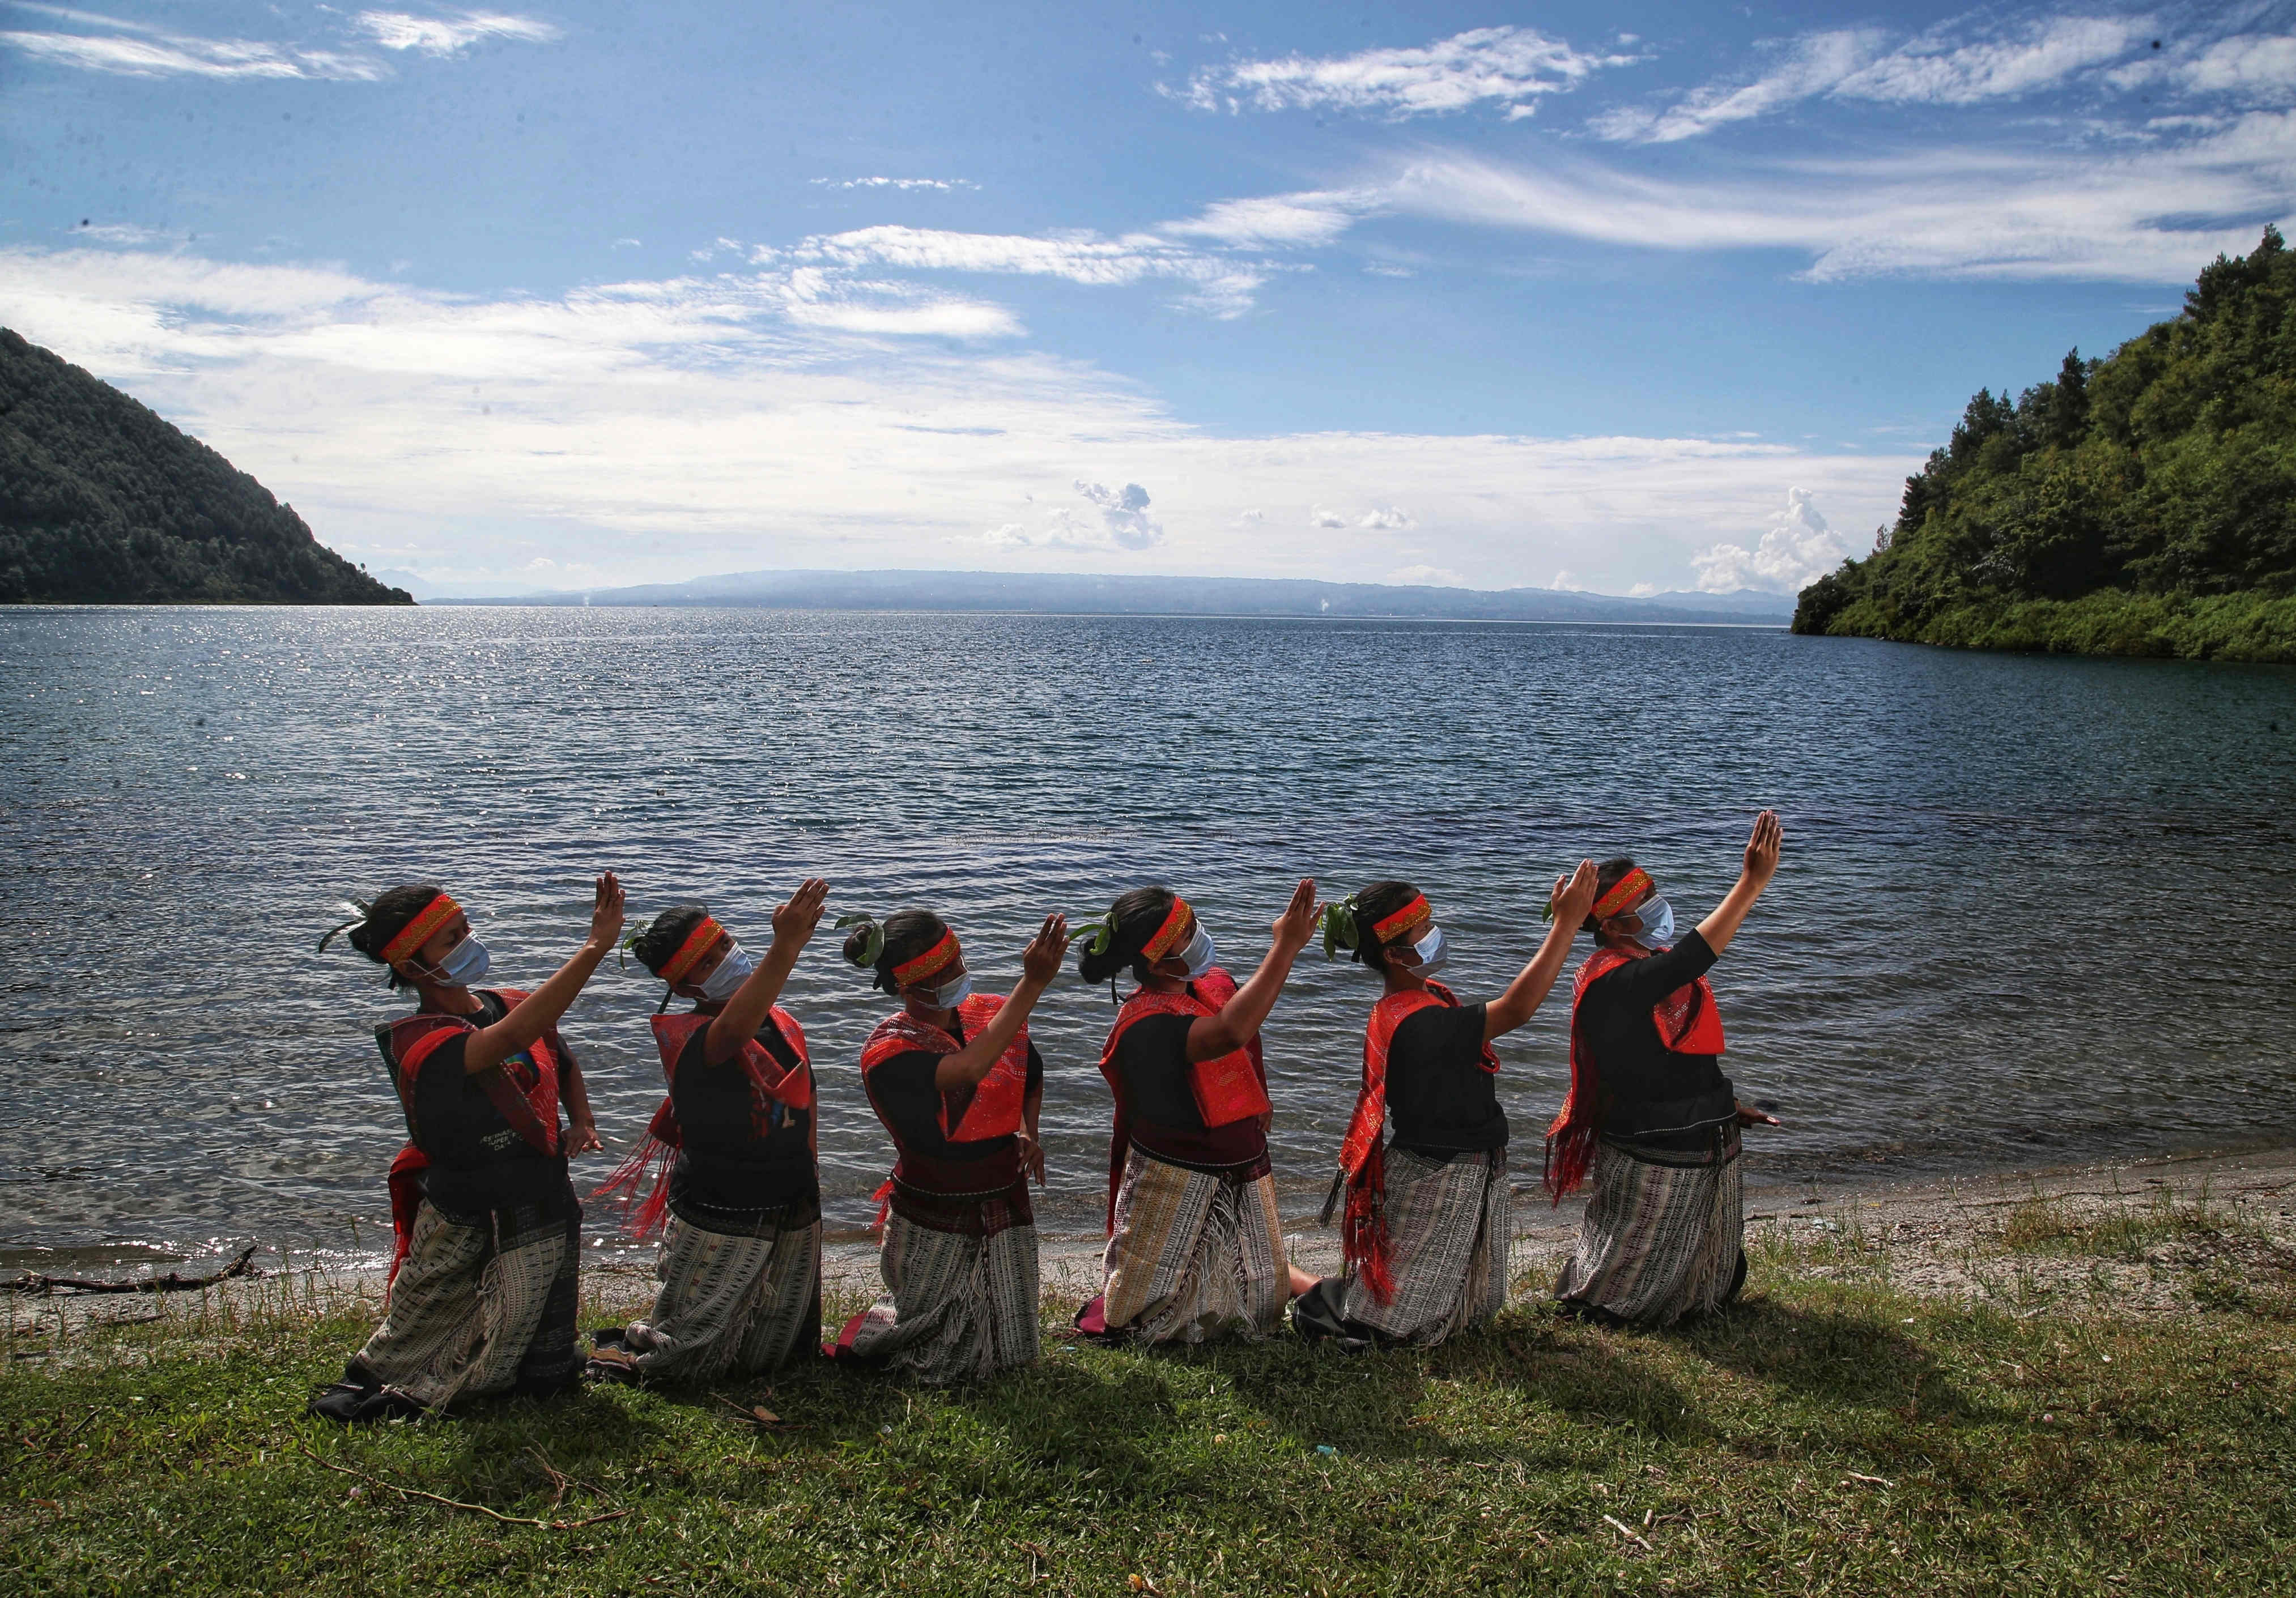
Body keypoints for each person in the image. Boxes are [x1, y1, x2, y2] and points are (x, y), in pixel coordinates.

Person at [309, 873, 622, 1422]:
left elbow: (561, 1058)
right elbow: (506, 1042)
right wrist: (593, 948)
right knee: (437, 1310)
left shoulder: (508, 1003)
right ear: (410, 967)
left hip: (541, 1191)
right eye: (450, 940)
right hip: (473, 1205)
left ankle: (537, 1366)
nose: (468, 944)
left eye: (465, 929)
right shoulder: (422, 1039)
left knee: (545, 1336)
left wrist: (582, 1121)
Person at [1291, 862, 1600, 1349]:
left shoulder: (1416, 1001)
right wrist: (1566, 925)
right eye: (1424, 929)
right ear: (1395, 953)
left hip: (1457, 1165)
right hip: (1440, 1171)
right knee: (1388, 1328)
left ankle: (1297, 1279)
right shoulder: (1419, 1022)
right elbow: (1518, 1008)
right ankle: (1298, 1286)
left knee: (1464, 1309)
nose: (1436, 934)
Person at [1546, 811, 1785, 1327]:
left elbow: (1671, 1062)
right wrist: (1751, 882)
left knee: (1720, 1276)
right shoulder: (1611, 981)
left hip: (1701, 1136)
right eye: (1642, 906)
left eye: (1654, 895)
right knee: (1621, 1301)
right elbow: (1688, 960)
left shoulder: (1643, 973)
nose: (1656, 910)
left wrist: (1728, 1108)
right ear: (1609, 926)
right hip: (1660, 1145)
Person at [588, 880, 830, 1384]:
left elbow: (805, 1102)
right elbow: (734, 1032)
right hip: (723, 1203)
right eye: (706, 960)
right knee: (688, 1353)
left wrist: (811, 1179)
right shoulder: (698, 1037)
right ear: (684, 988)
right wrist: (785, 945)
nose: (726, 957)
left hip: (790, 1195)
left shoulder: (780, 1019)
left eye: (723, 943)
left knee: (780, 1348)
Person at [1072, 880, 1324, 1343]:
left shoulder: (1212, 983)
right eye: (1183, 935)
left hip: (1241, 1166)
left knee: (1256, 1300)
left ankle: (1288, 1277)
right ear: (1153, 961)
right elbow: (1230, 1033)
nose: (1198, 936)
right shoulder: (1145, 1024)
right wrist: (1286, 946)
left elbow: (1248, 1040)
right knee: (1149, 1315)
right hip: (1178, 1177)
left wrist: (1259, 1097)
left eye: (1192, 924)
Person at [830, 907, 1069, 1383]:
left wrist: (1028, 1131)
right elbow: (966, 1070)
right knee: (930, 1343)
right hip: (934, 1203)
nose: (958, 976)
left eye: (958, 962)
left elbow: (1030, 1073)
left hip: (1002, 1192)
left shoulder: (989, 1014)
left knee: (1013, 1350)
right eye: (943, 972)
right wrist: (1034, 984)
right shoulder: (890, 1051)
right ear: (905, 986)